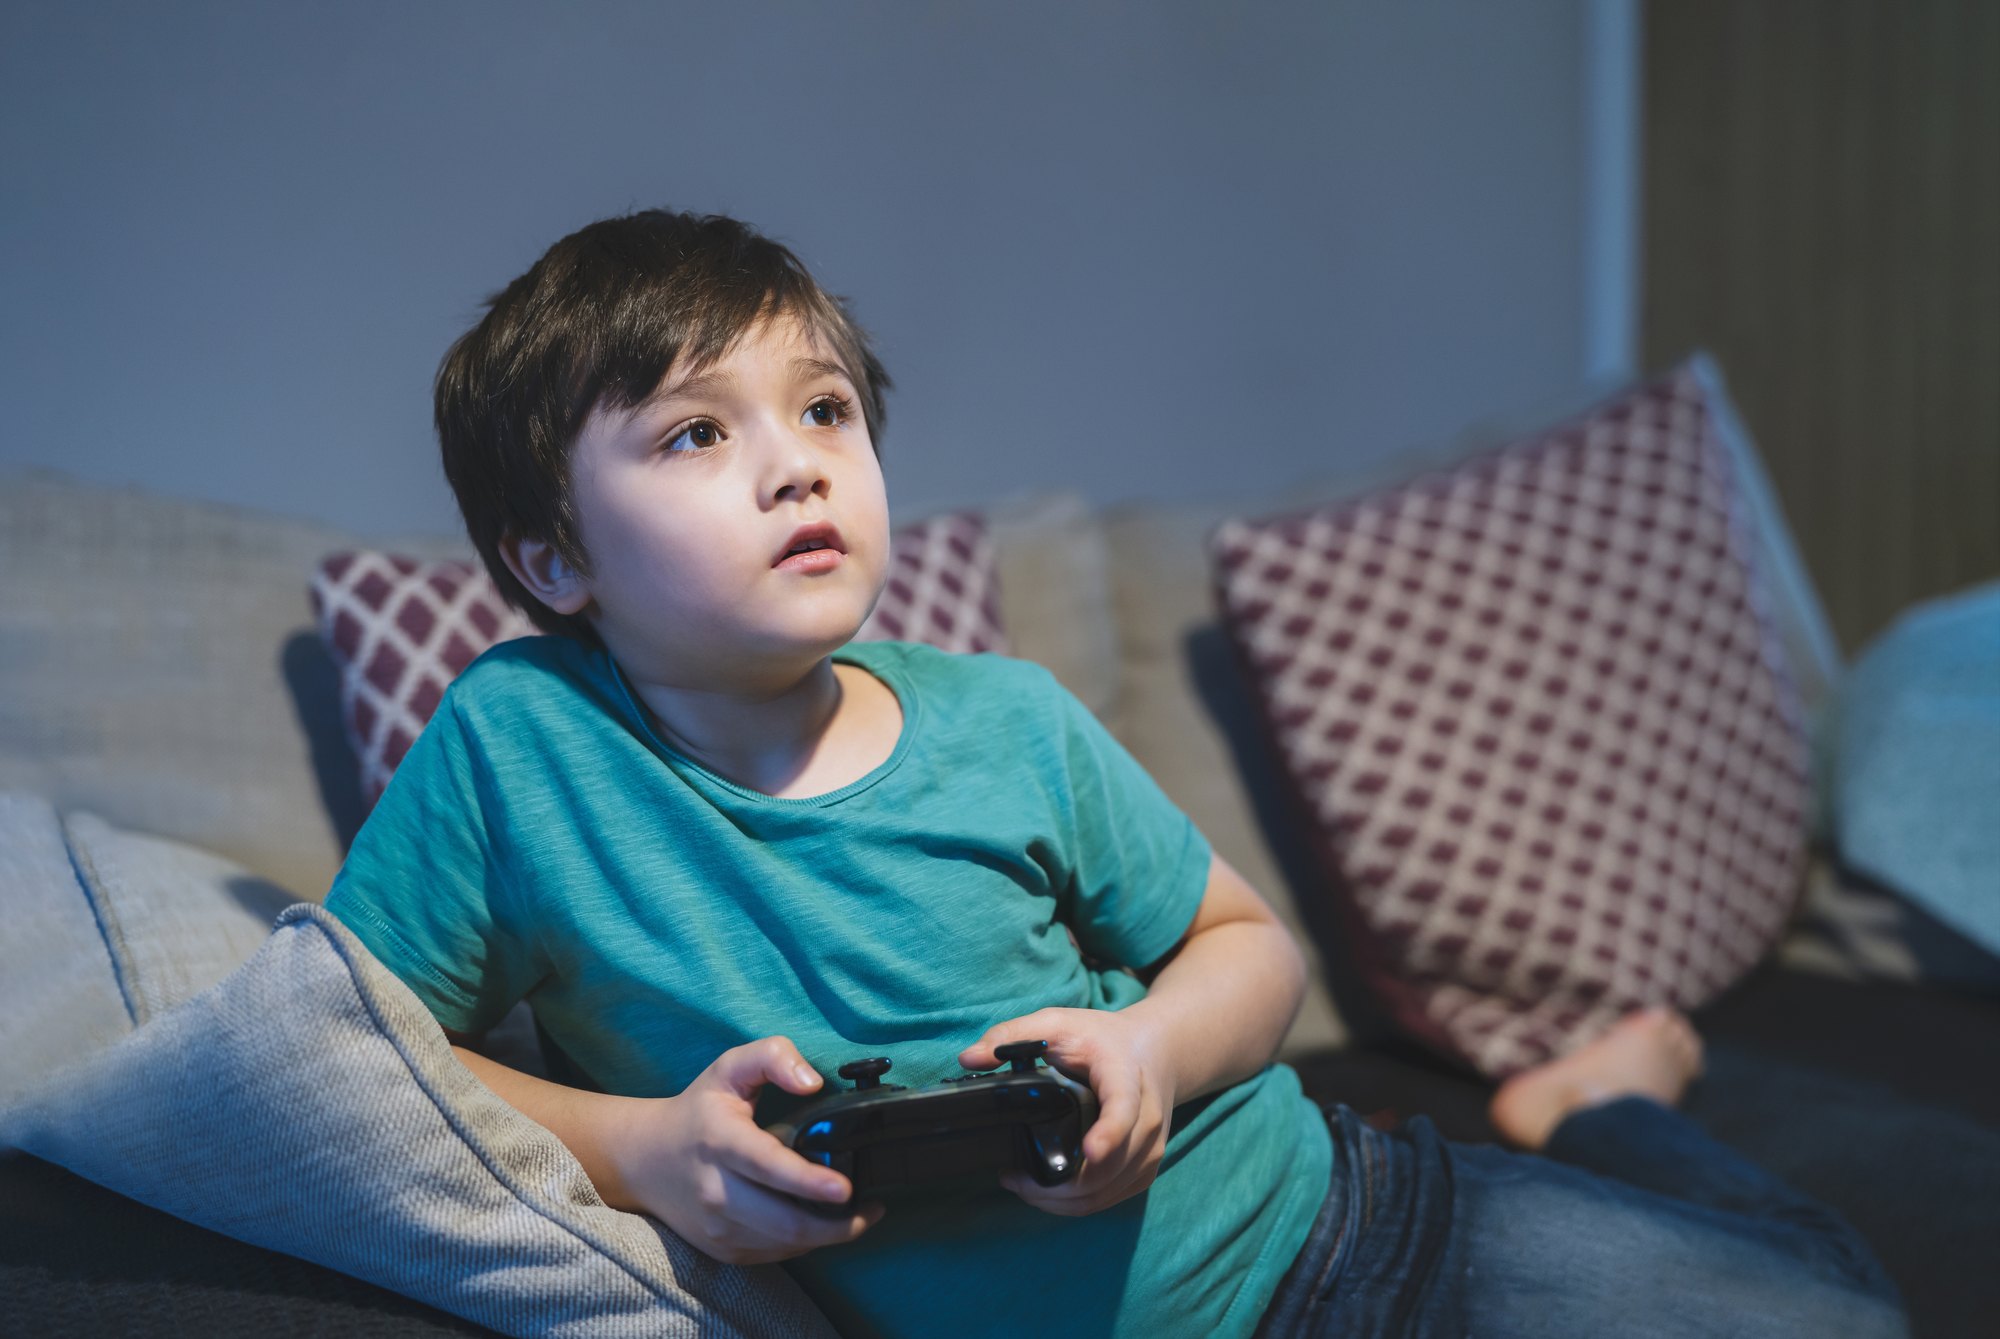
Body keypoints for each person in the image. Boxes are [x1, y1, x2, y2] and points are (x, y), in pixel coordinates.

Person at [325, 208, 1908, 1339]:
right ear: (549, 555)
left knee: (1844, 1316)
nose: (799, 461)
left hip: (1348, 1228)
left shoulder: (1007, 721)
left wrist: (1146, 1052)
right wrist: (645, 1148)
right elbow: (344, 1059)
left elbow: (1245, 948)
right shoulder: (519, 752)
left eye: (823, 410)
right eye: (692, 435)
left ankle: (1602, 1102)